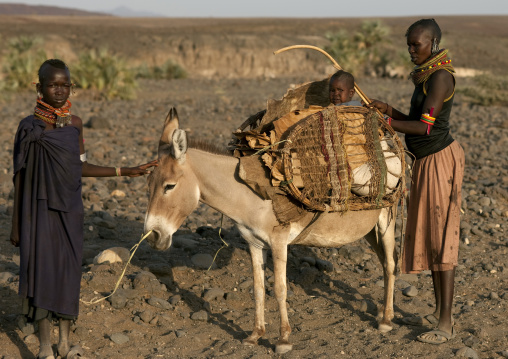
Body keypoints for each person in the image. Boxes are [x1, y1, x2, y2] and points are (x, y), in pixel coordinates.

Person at [10, 59, 157, 359]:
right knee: (41, 272)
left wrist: (124, 171)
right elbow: (20, 179)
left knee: (67, 271)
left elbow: (81, 166)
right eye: (53, 85)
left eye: (65, 84)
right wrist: (16, 225)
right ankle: (44, 347)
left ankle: (65, 343)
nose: (60, 90)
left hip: (70, 209)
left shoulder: (75, 124)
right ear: (39, 87)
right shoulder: (29, 127)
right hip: (37, 213)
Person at [367, 18, 464, 345]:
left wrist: (388, 122)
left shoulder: (439, 77)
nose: (411, 50)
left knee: (442, 239)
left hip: (439, 161)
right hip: (426, 162)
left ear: (433, 43)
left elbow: (424, 128)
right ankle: (440, 314)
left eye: (416, 45)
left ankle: (446, 323)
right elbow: (416, 120)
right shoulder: (426, 75)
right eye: (408, 44)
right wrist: (388, 109)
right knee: (434, 238)